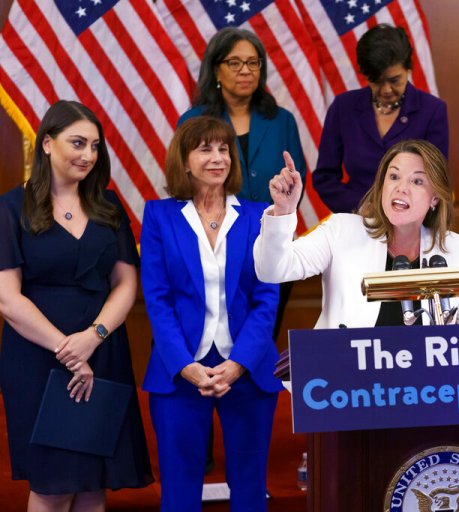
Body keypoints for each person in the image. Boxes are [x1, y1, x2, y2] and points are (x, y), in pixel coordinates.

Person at [0, 100, 153, 510]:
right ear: (47, 144)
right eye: (78, 143)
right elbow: (8, 298)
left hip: (102, 355)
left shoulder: (109, 206)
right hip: (38, 359)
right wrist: (68, 350)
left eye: (95, 146)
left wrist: (93, 337)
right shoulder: (11, 208)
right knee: (53, 485)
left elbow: (125, 283)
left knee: (91, 483)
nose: (88, 155)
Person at [141, 116, 283, 512]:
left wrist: (239, 363)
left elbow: (266, 298)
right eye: (205, 148)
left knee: (250, 487)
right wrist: (185, 364)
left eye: (224, 149)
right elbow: (157, 300)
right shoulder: (159, 217)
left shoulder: (259, 216)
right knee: (179, 489)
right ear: (184, 161)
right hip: (180, 370)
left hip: (248, 370)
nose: (218, 157)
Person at [255, 139, 459, 329]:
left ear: (434, 199)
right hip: (347, 387)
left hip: (419, 388)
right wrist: (283, 213)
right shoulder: (341, 230)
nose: (401, 187)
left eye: (417, 181)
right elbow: (273, 270)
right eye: (393, 176)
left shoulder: (450, 246)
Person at [178, 26, 305, 341]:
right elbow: (183, 183)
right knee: (215, 334)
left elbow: (298, 178)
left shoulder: (282, 119)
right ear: (216, 69)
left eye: (253, 62)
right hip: (214, 244)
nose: (246, 70)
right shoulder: (193, 121)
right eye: (235, 63)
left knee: (262, 335)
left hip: (271, 244)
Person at [313, 24, 449, 214]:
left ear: (408, 69)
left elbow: (436, 180)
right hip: (356, 221)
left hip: (412, 223)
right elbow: (325, 178)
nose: (386, 90)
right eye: (376, 81)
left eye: (394, 80)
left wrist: (400, 210)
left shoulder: (432, 110)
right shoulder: (343, 107)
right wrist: (360, 207)